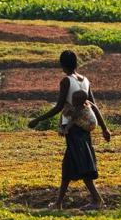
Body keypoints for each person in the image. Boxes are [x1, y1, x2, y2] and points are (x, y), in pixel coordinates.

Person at [28, 50, 111, 210]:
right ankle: (58, 203)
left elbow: (59, 106)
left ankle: (97, 200)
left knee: (82, 163)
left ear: (62, 64)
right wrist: (104, 128)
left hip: (73, 128)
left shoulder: (66, 81)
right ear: (76, 63)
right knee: (69, 165)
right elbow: (93, 106)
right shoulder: (85, 80)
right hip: (84, 127)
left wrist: (38, 120)